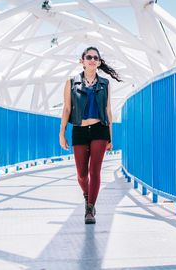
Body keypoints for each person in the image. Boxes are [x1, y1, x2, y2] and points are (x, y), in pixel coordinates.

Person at [59, 46, 122, 224]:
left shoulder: (105, 84)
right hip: (79, 129)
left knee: (94, 171)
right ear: (82, 61)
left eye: (96, 57)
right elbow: (67, 109)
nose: (92, 60)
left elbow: (108, 110)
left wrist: (110, 137)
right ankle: (87, 196)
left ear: (99, 62)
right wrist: (62, 132)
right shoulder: (71, 82)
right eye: (89, 57)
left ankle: (90, 209)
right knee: (81, 174)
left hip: (99, 130)